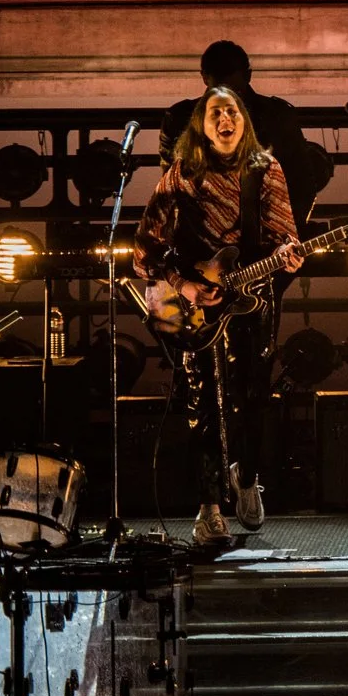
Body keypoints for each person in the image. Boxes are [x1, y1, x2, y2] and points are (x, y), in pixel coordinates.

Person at [135, 87, 305, 545]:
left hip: (253, 299)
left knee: (254, 396)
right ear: (202, 125)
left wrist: (290, 254)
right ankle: (208, 507)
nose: (226, 118)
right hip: (192, 304)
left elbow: (284, 235)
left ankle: (246, 477)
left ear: (243, 121)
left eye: (233, 111)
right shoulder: (181, 175)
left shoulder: (264, 170)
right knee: (202, 402)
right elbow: (144, 247)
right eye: (216, 112)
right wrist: (183, 283)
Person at [162, 41, 316, 224]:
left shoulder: (180, 117)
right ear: (248, 75)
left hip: (210, 237)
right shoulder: (278, 116)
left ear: (204, 77)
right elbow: (302, 183)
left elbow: (302, 184)